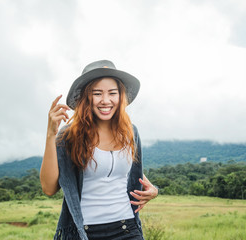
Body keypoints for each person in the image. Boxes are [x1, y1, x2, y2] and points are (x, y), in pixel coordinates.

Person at [40, 60, 158, 240]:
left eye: (112, 93)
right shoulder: (69, 136)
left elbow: (127, 173)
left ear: (120, 96)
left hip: (128, 228)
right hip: (84, 232)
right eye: (97, 93)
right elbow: (49, 188)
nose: (105, 100)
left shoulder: (130, 132)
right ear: (86, 97)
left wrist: (153, 191)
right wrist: (50, 135)